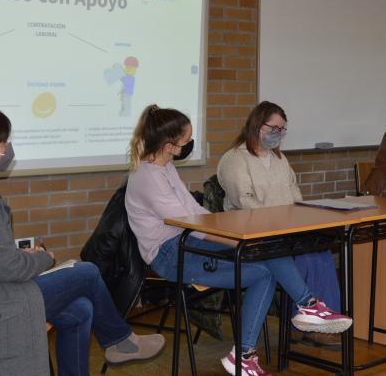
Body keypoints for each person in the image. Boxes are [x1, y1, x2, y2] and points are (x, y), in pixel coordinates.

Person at [0, 106, 164, 376]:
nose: (7, 147)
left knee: (80, 309)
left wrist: (23, 258)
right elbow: (7, 268)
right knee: (87, 272)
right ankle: (120, 341)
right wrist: (42, 258)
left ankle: (117, 343)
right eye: (3, 143)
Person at [125, 104, 353, 376]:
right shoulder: (147, 176)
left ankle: (248, 352)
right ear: (169, 143)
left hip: (188, 243)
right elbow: (187, 224)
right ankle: (306, 307)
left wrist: (232, 234)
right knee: (263, 256)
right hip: (170, 254)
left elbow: (195, 212)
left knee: (265, 262)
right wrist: (238, 241)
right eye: (186, 139)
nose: (189, 143)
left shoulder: (165, 167)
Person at [218, 101, 342, 349]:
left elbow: (294, 195)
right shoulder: (235, 159)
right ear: (256, 125)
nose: (278, 133)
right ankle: (303, 323)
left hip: (285, 231)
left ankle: (314, 323)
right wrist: (280, 224)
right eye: (273, 127)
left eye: (282, 129)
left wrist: (302, 220)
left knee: (321, 253)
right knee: (304, 258)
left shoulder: (279, 158)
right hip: (253, 235)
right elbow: (245, 202)